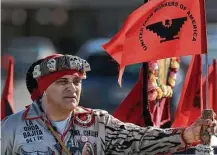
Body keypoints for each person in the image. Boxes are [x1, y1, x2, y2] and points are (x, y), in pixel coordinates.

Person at [1, 54, 216, 155]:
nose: (72, 88)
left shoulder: (97, 122)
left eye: (77, 82)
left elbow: (139, 139)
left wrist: (186, 135)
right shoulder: (13, 127)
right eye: (62, 82)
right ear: (44, 88)